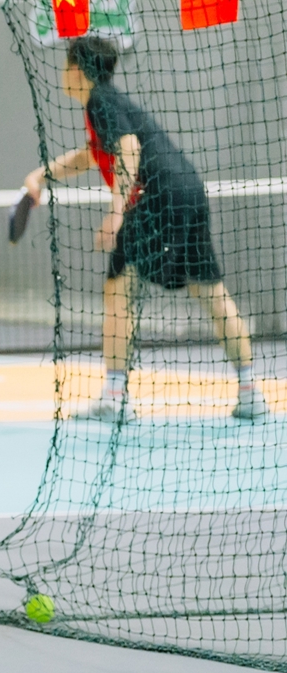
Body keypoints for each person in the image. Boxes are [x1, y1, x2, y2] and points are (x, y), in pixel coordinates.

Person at [21, 35, 266, 422]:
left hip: (156, 197)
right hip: (188, 190)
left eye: (66, 65)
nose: (63, 73)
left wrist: (116, 213)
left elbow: (129, 147)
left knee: (117, 290)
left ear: (77, 70)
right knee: (211, 292)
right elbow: (90, 156)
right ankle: (251, 392)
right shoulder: (109, 103)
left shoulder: (100, 101)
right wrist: (41, 175)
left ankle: (115, 397)